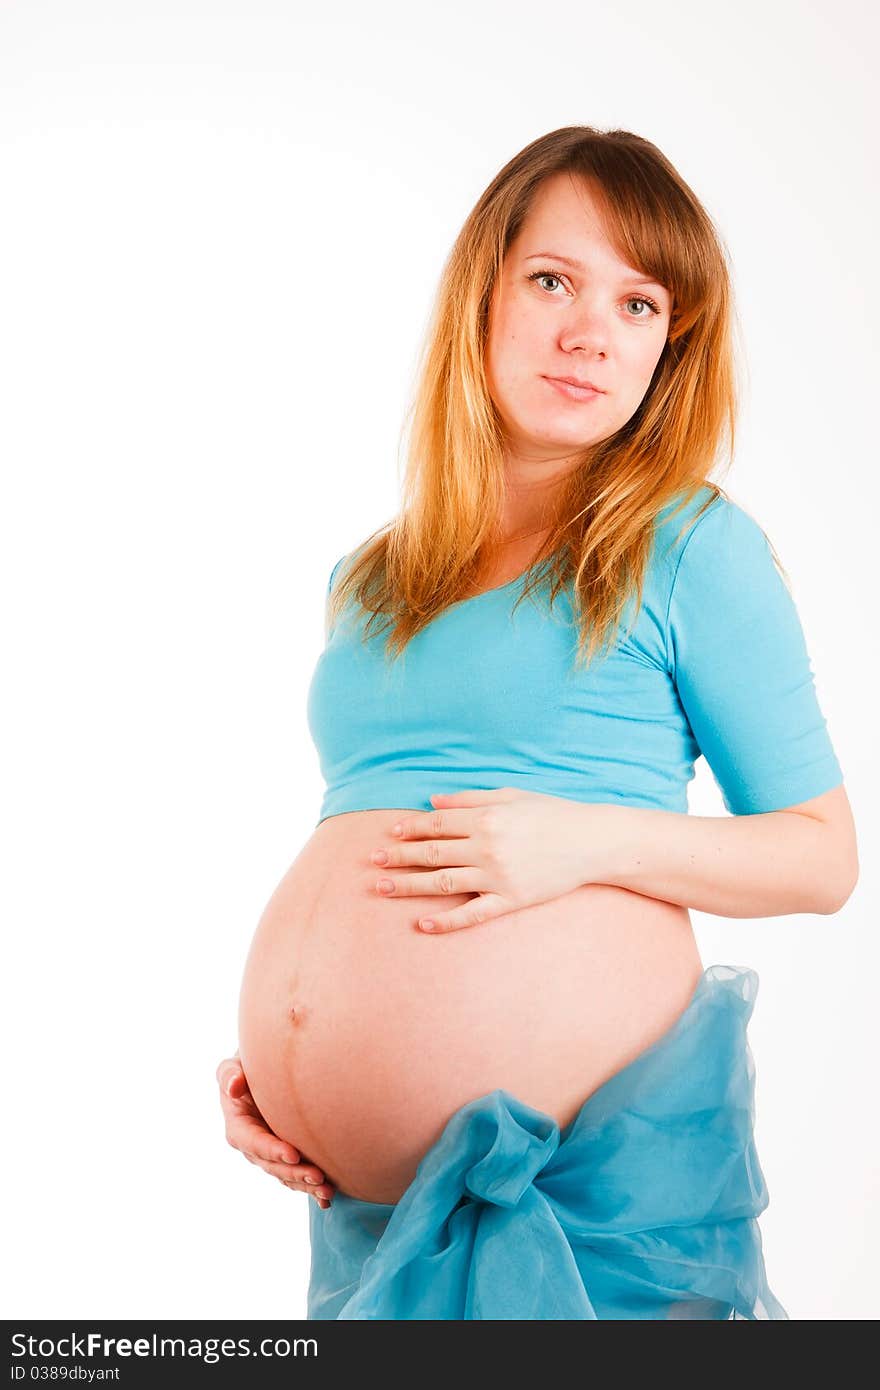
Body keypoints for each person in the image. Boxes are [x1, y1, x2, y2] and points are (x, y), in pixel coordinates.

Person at [216, 126, 858, 1319]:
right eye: (554, 281)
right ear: (485, 294)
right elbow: (359, 843)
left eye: (638, 303)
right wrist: (282, 1070)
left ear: (670, 346)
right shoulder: (370, 581)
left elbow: (823, 856)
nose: (589, 334)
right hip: (370, 1222)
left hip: (588, 1208)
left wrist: (586, 840)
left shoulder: (690, 547)